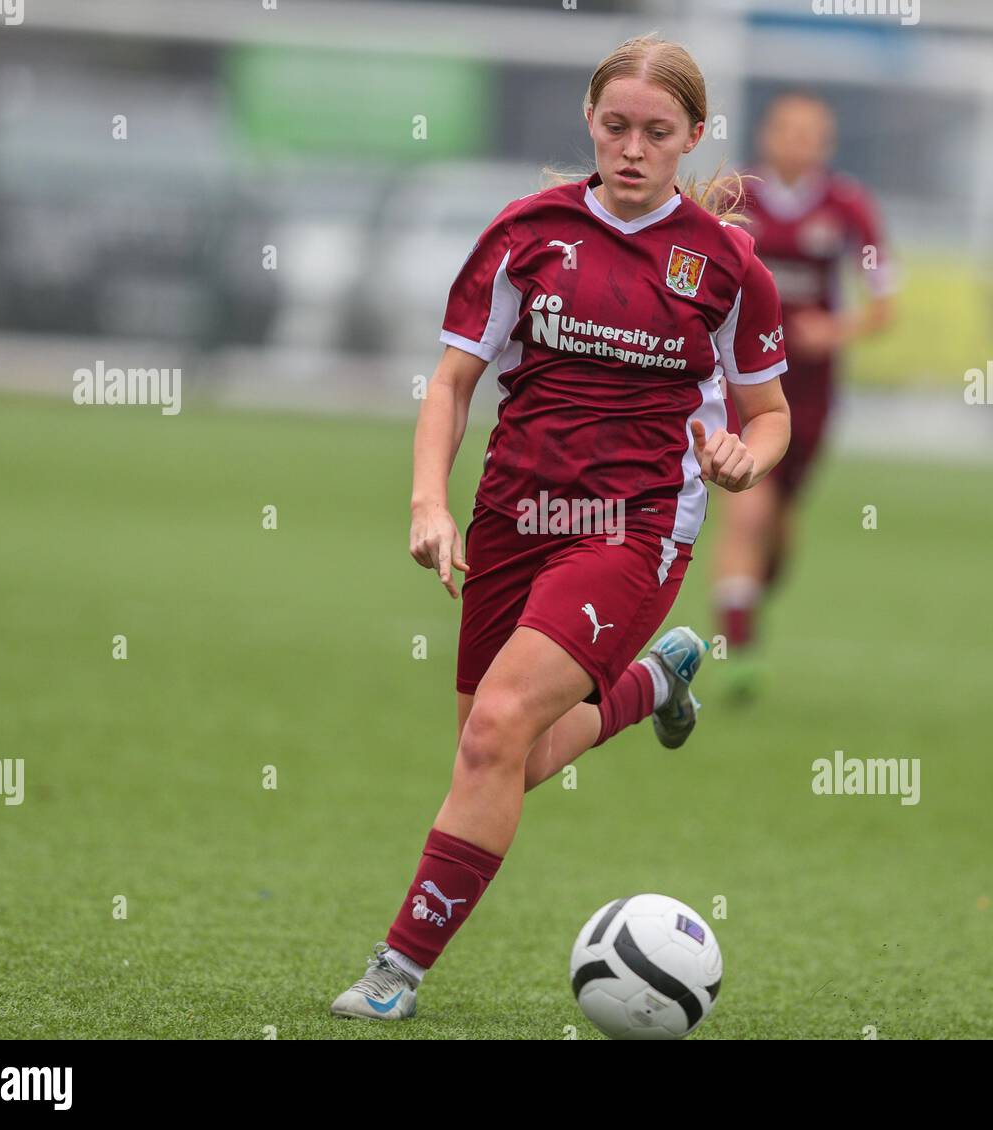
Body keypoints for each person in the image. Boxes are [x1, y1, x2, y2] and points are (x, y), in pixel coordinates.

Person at [331, 33, 790, 1021]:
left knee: (498, 727)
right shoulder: (523, 231)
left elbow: (770, 409)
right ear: (589, 121)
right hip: (514, 513)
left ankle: (395, 969)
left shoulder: (724, 266)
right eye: (615, 126)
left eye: (656, 133)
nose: (631, 148)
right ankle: (654, 680)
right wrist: (427, 501)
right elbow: (452, 380)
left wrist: (748, 453)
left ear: (693, 137)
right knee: (510, 756)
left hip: (632, 526)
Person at [714, 93, 897, 695]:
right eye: (787, 130)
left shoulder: (849, 209)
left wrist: (834, 330)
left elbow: (885, 306)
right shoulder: (732, 197)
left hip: (810, 397)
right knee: (747, 511)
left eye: (811, 133)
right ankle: (738, 652)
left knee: (780, 532)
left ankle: (746, 605)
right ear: (767, 135)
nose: (798, 142)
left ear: (826, 144)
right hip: (743, 387)